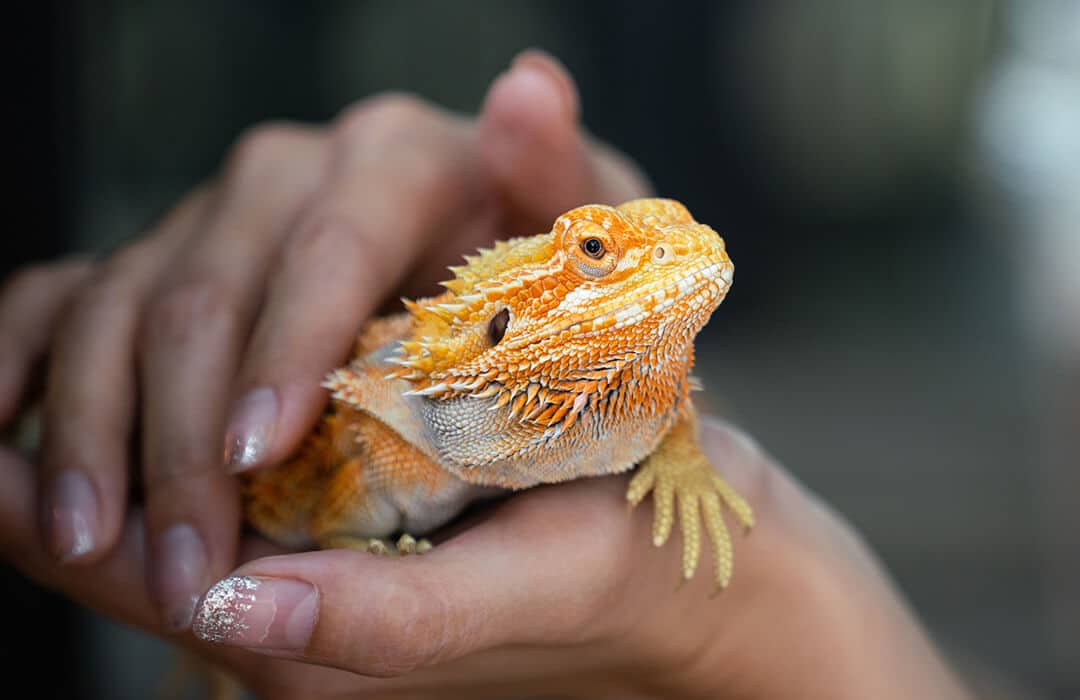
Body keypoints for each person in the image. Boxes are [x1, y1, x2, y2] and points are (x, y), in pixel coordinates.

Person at [0, 50, 972, 698]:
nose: (674, 261)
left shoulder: (632, 393)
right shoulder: (403, 439)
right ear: (509, 319)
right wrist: (364, 555)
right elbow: (342, 514)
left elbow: (666, 405)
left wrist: (693, 475)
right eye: (597, 250)